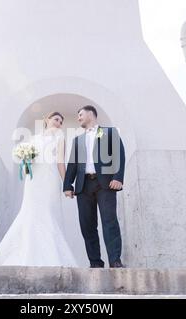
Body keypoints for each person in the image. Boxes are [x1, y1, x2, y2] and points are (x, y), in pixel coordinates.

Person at [0, 112, 79, 267]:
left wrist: (67, 184)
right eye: (56, 119)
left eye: (61, 122)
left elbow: (60, 162)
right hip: (33, 180)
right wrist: (27, 165)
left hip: (49, 177)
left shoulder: (59, 137)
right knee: (29, 211)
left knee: (48, 212)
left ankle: (51, 257)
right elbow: (27, 165)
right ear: (47, 120)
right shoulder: (34, 138)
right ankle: (25, 253)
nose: (59, 123)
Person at [63, 105, 126, 269]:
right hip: (83, 186)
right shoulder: (78, 140)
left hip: (105, 184)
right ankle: (95, 263)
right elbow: (72, 164)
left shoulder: (110, 132)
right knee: (87, 226)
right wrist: (67, 184)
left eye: (80, 114)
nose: (78, 118)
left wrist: (118, 178)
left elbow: (120, 155)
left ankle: (115, 260)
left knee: (109, 222)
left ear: (91, 114)